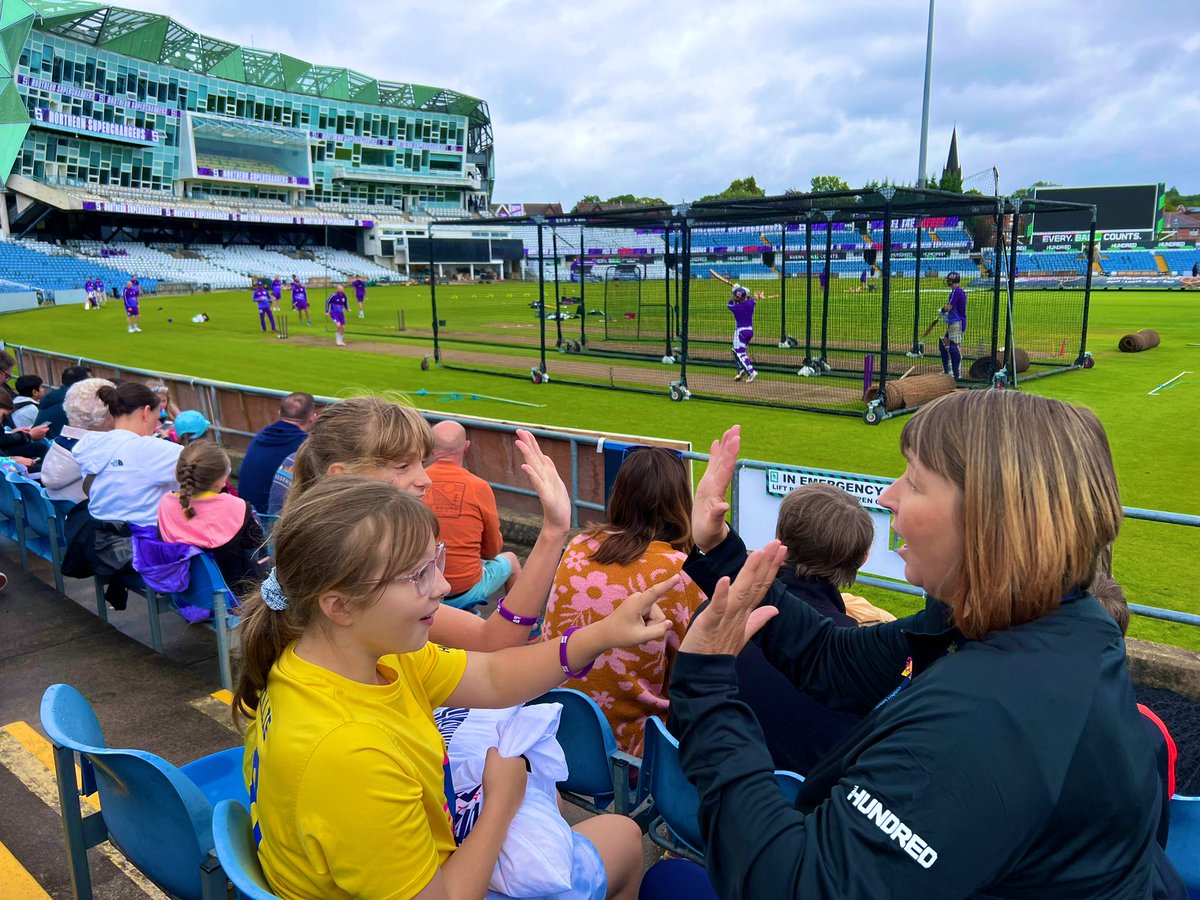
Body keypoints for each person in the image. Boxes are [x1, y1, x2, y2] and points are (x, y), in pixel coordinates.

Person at [669, 396, 1185, 898]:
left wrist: (707, 686)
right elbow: (837, 661)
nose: (887, 496)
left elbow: (795, 884)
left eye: (914, 480)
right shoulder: (1036, 620)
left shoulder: (990, 716)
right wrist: (721, 552)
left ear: (988, 519)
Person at [235, 476, 653, 900]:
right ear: (339, 605)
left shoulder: (358, 655)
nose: (443, 586)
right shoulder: (347, 753)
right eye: (418, 574)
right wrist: (499, 806)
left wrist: (601, 635)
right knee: (623, 836)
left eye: (434, 560)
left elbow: (491, 678)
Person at [284, 395, 570, 653]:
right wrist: (553, 532)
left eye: (422, 461)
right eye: (403, 466)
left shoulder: (324, 543)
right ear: (342, 476)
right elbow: (492, 645)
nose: (426, 479)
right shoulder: (363, 567)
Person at [670, 481, 873, 775]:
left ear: (779, 538)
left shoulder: (714, 613)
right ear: (864, 557)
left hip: (689, 798)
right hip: (782, 814)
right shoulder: (861, 661)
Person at [541, 445, 707, 756]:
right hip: (628, 750)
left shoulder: (578, 545)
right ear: (680, 502)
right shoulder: (680, 571)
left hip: (554, 729)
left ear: (620, 493)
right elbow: (701, 670)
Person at [422, 420, 521, 608]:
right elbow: (492, 551)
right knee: (512, 561)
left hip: (422, 588)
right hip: (465, 590)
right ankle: (526, 630)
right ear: (466, 447)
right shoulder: (479, 486)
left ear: (431, 449)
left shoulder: (416, 482)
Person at [157, 441, 265, 597]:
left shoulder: (166, 504)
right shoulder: (235, 506)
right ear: (219, 481)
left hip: (187, 593)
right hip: (234, 593)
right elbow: (256, 543)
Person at [238, 392, 316, 514]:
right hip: (266, 521)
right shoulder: (306, 447)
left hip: (244, 512)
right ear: (312, 418)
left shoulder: (261, 436)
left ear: (279, 413)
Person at [40, 377, 115, 503]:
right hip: (91, 519)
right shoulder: (102, 451)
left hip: (60, 519)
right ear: (105, 414)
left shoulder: (60, 443)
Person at [35, 365, 93, 440]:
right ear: (81, 384)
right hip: (52, 445)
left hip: (43, 442)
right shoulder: (75, 402)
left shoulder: (52, 396)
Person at [727, 284, 763, 383]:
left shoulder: (735, 308)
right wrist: (741, 291)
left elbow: (730, 303)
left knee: (740, 353)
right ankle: (742, 369)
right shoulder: (750, 303)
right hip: (749, 331)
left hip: (740, 332)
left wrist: (735, 290)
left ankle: (751, 371)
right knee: (735, 350)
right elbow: (751, 299)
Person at [939, 270, 967, 379]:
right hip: (954, 321)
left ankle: (957, 373)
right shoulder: (957, 291)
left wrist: (942, 310)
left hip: (957, 322)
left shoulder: (956, 291)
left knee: (955, 346)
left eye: (949, 280)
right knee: (946, 342)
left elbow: (949, 307)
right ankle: (950, 370)